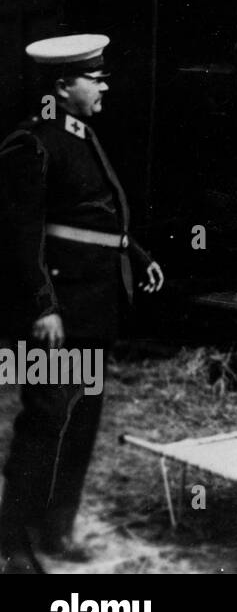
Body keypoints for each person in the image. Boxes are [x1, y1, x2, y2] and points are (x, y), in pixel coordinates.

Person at [0, 35, 164, 574]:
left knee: (81, 422)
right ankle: (12, 543)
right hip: (60, 316)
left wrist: (136, 255)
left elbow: (95, 214)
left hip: (93, 309)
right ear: (63, 85)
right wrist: (43, 305)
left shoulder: (81, 135)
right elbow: (21, 235)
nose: (104, 85)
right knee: (47, 420)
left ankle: (56, 530)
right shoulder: (33, 143)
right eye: (94, 77)